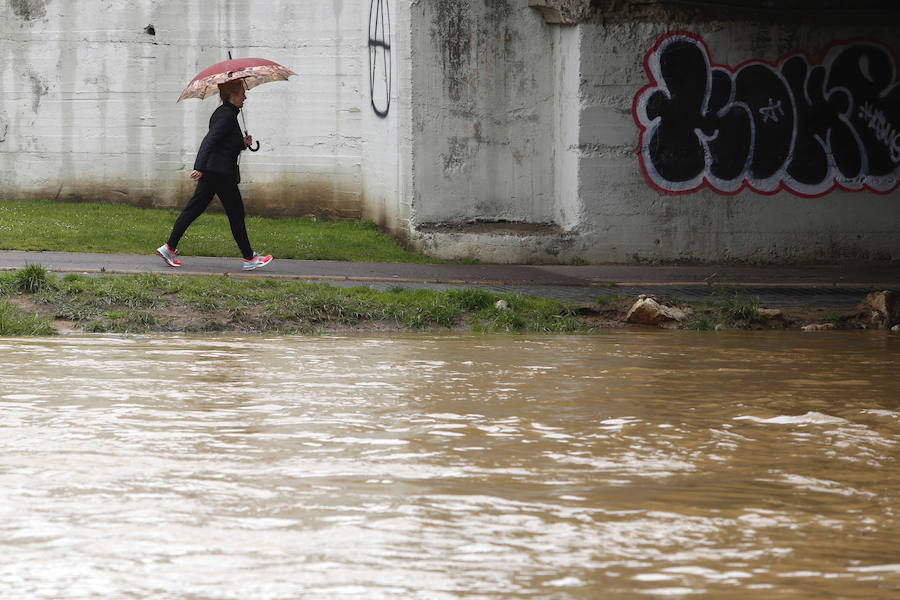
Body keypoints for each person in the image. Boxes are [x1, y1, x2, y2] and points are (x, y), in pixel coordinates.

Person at [157, 79, 272, 271]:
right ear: (232, 95)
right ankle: (249, 258)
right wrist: (199, 167)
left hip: (214, 172)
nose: (245, 96)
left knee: (193, 210)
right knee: (236, 214)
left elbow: (223, 144)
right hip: (220, 173)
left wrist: (242, 143)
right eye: (242, 92)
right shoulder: (226, 116)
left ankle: (169, 247)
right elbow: (209, 141)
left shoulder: (225, 114)